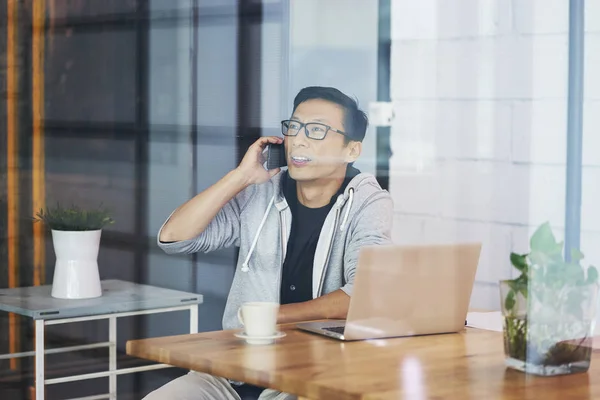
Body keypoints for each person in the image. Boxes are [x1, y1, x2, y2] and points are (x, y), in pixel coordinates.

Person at [144, 86, 394, 400]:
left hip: (307, 376)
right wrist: (240, 177)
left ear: (351, 150)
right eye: (294, 127)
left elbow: (366, 293)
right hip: (232, 372)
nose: (299, 139)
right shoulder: (261, 192)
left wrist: (278, 315)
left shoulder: (368, 202)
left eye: (316, 130)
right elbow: (175, 239)